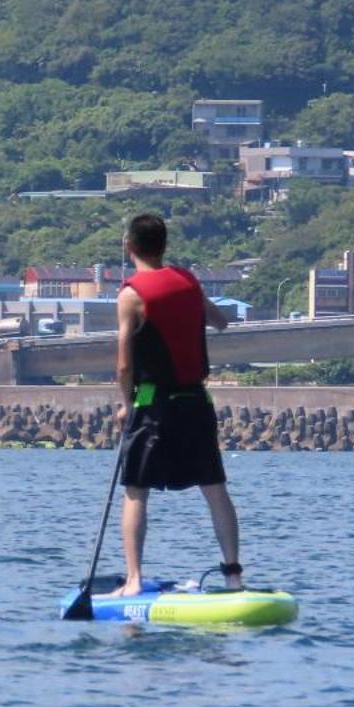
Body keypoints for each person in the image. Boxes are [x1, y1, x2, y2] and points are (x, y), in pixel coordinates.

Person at [112, 212, 244, 595]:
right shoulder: (188, 281)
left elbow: (123, 364)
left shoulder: (131, 294)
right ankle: (233, 576)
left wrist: (125, 405)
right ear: (164, 246)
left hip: (153, 404)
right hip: (196, 402)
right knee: (215, 488)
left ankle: (133, 580)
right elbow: (219, 321)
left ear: (129, 246)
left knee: (137, 490)